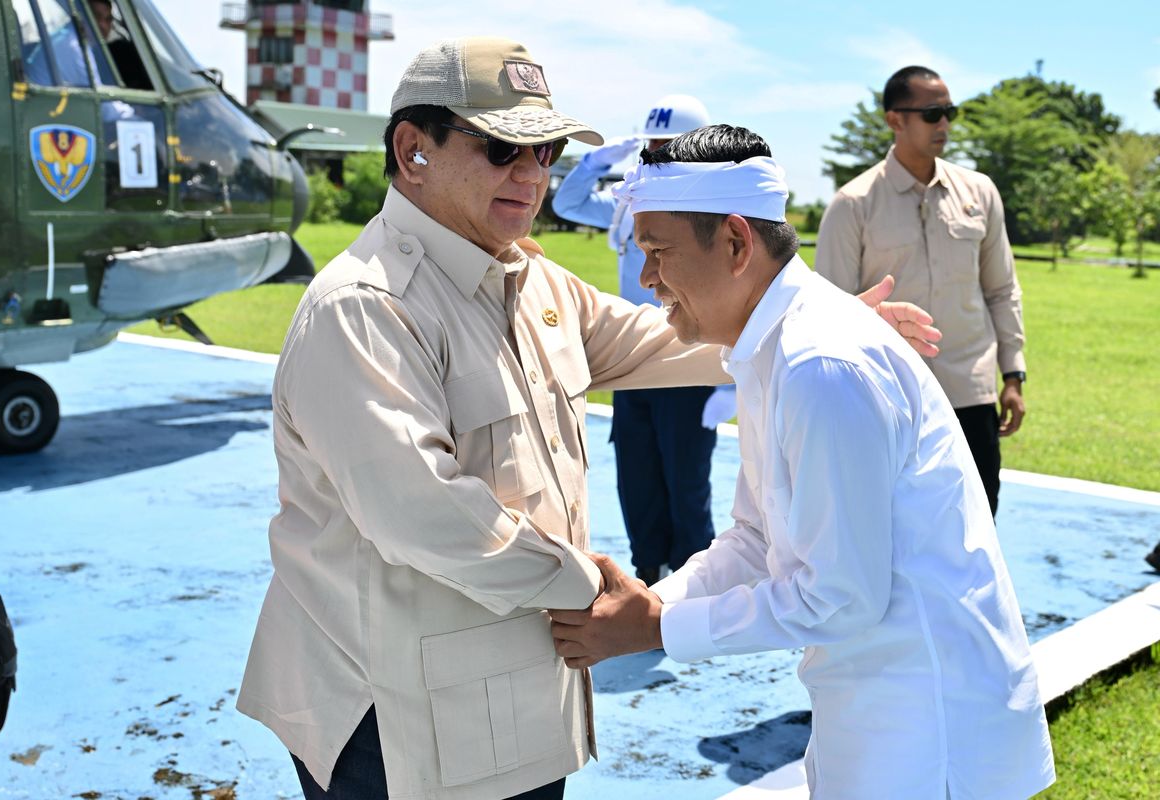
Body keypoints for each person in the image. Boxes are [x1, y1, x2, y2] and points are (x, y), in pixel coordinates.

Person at [237, 36, 938, 800]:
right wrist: (600, 591)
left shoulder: (526, 279)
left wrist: (804, 319)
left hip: (514, 701)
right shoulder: (365, 308)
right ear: (413, 150)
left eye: (546, 152)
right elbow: (424, 516)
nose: (531, 174)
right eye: (503, 148)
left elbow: (663, 336)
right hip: (394, 720)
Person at [550, 125, 1055, 799]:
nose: (646, 279)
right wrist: (654, 603)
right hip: (878, 708)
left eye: (658, 251)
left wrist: (660, 627)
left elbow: (839, 598)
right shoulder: (774, 347)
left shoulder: (821, 364)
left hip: (927, 728)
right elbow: (757, 538)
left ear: (736, 243)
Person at [814, 65, 1026, 517]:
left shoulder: (980, 193)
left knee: (977, 523)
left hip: (971, 393)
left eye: (950, 111)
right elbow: (828, 313)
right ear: (895, 119)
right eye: (932, 113)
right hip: (890, 398)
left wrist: (1013, 374)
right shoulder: (853, 204)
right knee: (895, 529)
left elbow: (1002, 289)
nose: (944, 123)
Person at [552, 95, 731, 586]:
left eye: (668, 147)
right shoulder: (628, 201)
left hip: (690, 358)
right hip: (634, 360)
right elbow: (567, 203)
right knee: (637, 479)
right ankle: (647, 577)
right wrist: (594, 163)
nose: (657, 157)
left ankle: (694, 587)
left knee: (686, 484)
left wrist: (727, 384)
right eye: (651, 147)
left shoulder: (711, 208)